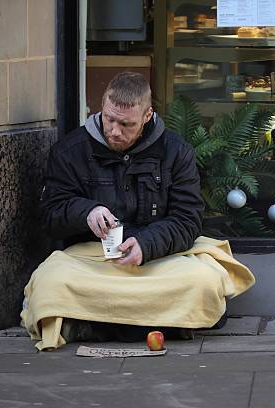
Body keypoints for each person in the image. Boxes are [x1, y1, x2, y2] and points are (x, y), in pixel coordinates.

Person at [39, 72, 208, 342]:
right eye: (109, 119)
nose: (114, 131)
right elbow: (50, 214)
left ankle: (91, 325)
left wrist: (146, 244)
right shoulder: (70, 150)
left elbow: (188, 220)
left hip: (158, 258)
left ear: (147, 115)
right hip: (92, 260)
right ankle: (165, 323)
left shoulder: (177, 152)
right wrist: (86, 212)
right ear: (102, 108)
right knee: (49, 281)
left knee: (202, 280)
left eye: (126, 124)